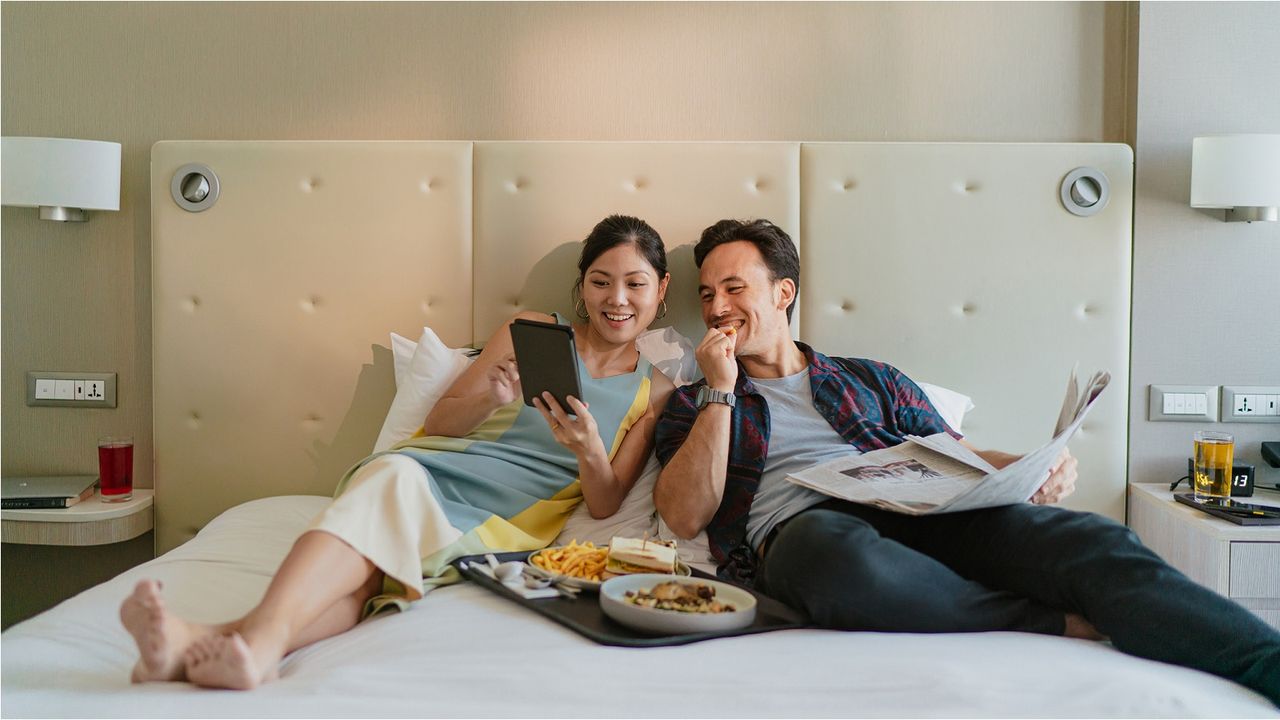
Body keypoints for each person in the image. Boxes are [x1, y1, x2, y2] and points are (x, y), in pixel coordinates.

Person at [653, 218, 1280, 705]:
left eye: (735, 288)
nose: (716, 308)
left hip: (926, 514)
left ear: (783, 292)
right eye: (707, 294)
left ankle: (1264, 662)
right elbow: (683, 517)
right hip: (811, 534)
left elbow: (953, 452)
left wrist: (1034, 465)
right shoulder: (692, 401)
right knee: (830, 558)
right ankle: (1041, 618)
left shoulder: (868, 379)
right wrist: (719, 390)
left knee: (1087, 537)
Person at [121, 214, 675, 690]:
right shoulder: (529, 329)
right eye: (601, 282)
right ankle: (257, 649)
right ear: (582, 286)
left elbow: (604, 504)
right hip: (430, 468)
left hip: (508, 516)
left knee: (369, 580)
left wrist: (589, 452)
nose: (617, 300)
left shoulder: (658, 386)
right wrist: (490, 396)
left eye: (635, 284)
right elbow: (441, 422)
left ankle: (205, 643)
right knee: (385, 508)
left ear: (661, 289)